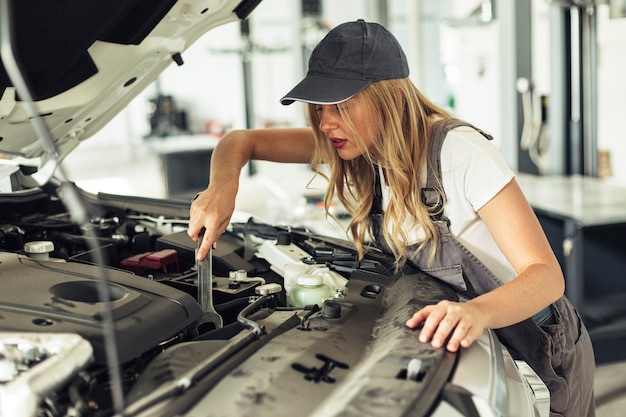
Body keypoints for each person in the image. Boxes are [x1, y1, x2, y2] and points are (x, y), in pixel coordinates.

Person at [188, 20, 595, 417]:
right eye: (319, 105)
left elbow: (545, 276)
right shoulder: (363, 144)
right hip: (471, 331)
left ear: (390, 97)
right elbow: (239, 140)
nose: (325, 122)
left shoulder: (458, 152)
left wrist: (477, 313)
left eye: (342, 105)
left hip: (540, 341)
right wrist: (222, 186)